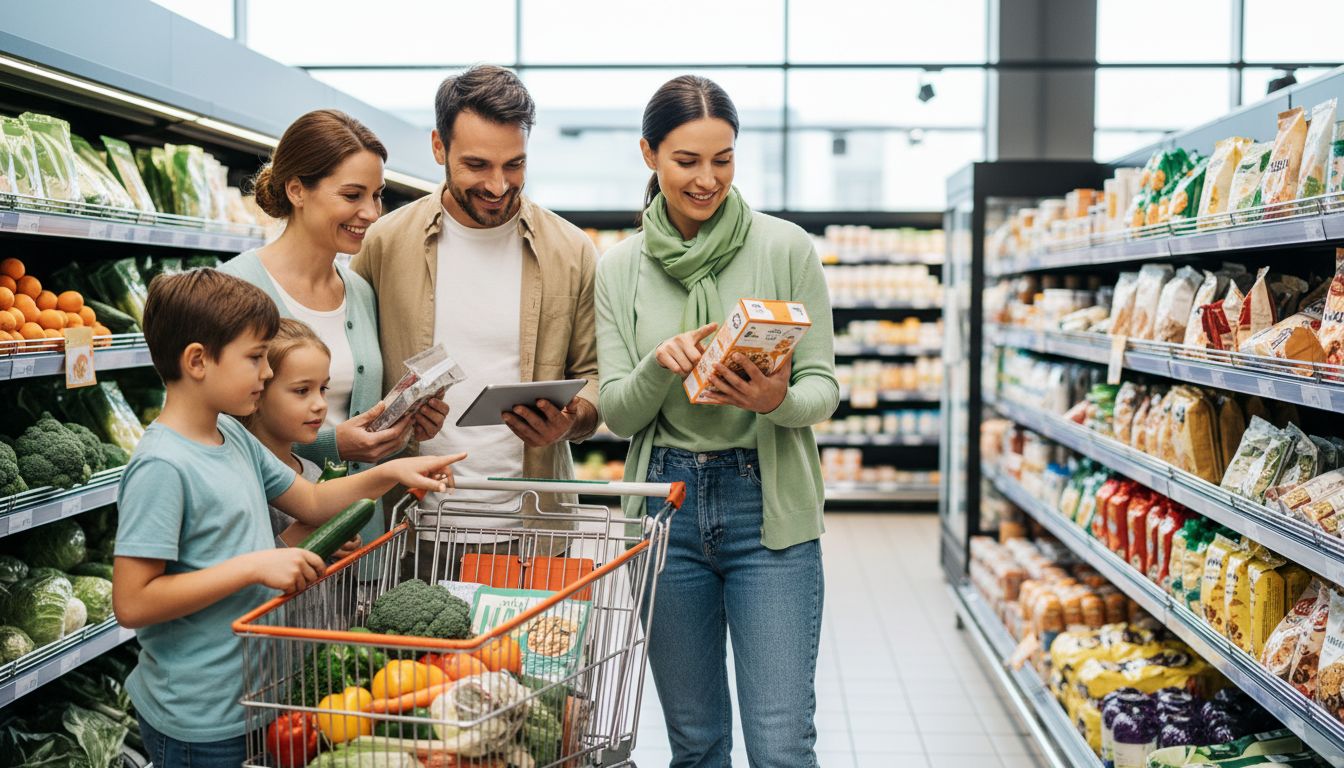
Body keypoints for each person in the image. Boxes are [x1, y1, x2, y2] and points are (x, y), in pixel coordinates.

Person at [111, 269, 465, 768]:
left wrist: (390, 471)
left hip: (259, 692)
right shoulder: (162, 467)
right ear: (197, 361)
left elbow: (313, 503)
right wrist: (255, 566)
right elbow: (132, 601)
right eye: (255, 358)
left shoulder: (233, 437)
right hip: (201, 718)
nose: (264, 373)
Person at [594, 75, 838, 766]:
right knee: (696, 744)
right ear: (650, 155)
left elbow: (824, 387)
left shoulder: (785, 248)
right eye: (687, 161)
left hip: (769, 506)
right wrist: (659, 366)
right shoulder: (618, 269)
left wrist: (774, 402)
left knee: (781, 742)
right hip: (665, 509)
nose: (708, 179)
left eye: (722, 159)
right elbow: (616, 410)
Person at [352, 65, 599, 551]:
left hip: (532, 533)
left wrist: (570, 421)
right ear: (438, 148)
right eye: (477, 165)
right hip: (411, 526)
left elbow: (595, 377)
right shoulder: (385, 243)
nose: (498, 185)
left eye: (515, 165)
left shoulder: (571, 250)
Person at [222, 109, 449, 549]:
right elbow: (217, 427)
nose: (370, 212)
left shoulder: (360, 291)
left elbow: (356, 410)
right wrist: (333, 445)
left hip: (358, 538)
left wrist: (404, 424)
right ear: (296, 190)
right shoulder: (237, 290)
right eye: (352, 195)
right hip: (272, 541)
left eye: (377, 195)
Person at [242, 318, 362, 556]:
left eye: (323, 389)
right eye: (302, 391)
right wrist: (294, 542)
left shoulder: (313, 471)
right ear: (257, 392)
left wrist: (341, 542)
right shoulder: (244, 483)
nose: (320, 404)